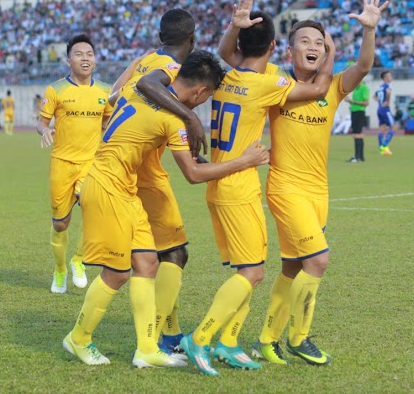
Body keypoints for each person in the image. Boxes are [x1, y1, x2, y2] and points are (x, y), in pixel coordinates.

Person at [63, 51, 271, 369]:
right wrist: (245, 161)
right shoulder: (175, 120)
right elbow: (192, 175)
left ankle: (146, 348)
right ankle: (78, 338)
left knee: (147, 263)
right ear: (201, 92)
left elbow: (141, 85)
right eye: (205, 98)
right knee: (117, 273)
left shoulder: (141, 86)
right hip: (106, 188)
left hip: (125, 189)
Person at [218, 0, 387, 367]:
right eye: (304, 41)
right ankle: (299, 337)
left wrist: (369, 30)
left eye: (319, 43)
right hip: (284, 187)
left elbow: (364, 65)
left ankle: (267, 339)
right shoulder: (275, 80)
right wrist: (235, 26)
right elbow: (230, 58)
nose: (312, 47)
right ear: (289, 51)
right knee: (319, 260)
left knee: (294, 268)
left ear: (325, 51)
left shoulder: (334, 86)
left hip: (318, 190)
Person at [168, 4, 335, 376]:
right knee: (253, 273)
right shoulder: (267, 85)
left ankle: (229, 342)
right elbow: (320, 87)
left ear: (241, 45)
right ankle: (203, 337)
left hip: (221, 186)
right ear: (275, 47)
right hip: (237, 187)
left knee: (250, 269)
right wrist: (331, 51)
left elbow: (228, 55)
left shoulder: (224, 78)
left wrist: (234, 27)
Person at [108, 9, 200, 356]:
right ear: (192, 38)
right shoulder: (171, 69)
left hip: (127, 165)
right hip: (144, 172)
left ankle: (170, 333)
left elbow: (114, 98)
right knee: (175, 253)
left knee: (163, 254)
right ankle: (160, 336)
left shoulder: (143, 59)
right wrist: (188, 115)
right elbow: (149, 87)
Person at [37, 34, 114, 295]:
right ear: (68, 60)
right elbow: (42, 121)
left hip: (91, 164)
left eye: (89, 54)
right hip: (61, 163)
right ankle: (60, 270)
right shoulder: (56, 89)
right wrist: (44, 130)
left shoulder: (105, 91)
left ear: (95, 60)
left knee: (94, 214)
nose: (85, 58)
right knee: (61, 223)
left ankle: (78, 260)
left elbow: (108, 122)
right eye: (79, 54)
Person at [346, 80, 370, 162]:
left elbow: (366, 103)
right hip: (354, 112)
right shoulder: (356, 89)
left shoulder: (364, 88)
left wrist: (352, 101)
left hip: (359, 112)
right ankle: (360, 157)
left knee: (357, 134)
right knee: (357, 134)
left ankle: (357, 157)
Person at [375, 71, 394, 155]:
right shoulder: (388, 86)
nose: (391, 77)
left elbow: (374, 96)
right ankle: (384, 145)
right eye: (389, 76)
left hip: (379, 109)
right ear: (385, 78)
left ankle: (381, 149)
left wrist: (379, 103)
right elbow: (388, 92)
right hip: (385, 109)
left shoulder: (380, 87)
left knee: (382, 129)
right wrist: (387, 101)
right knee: (393, 127)